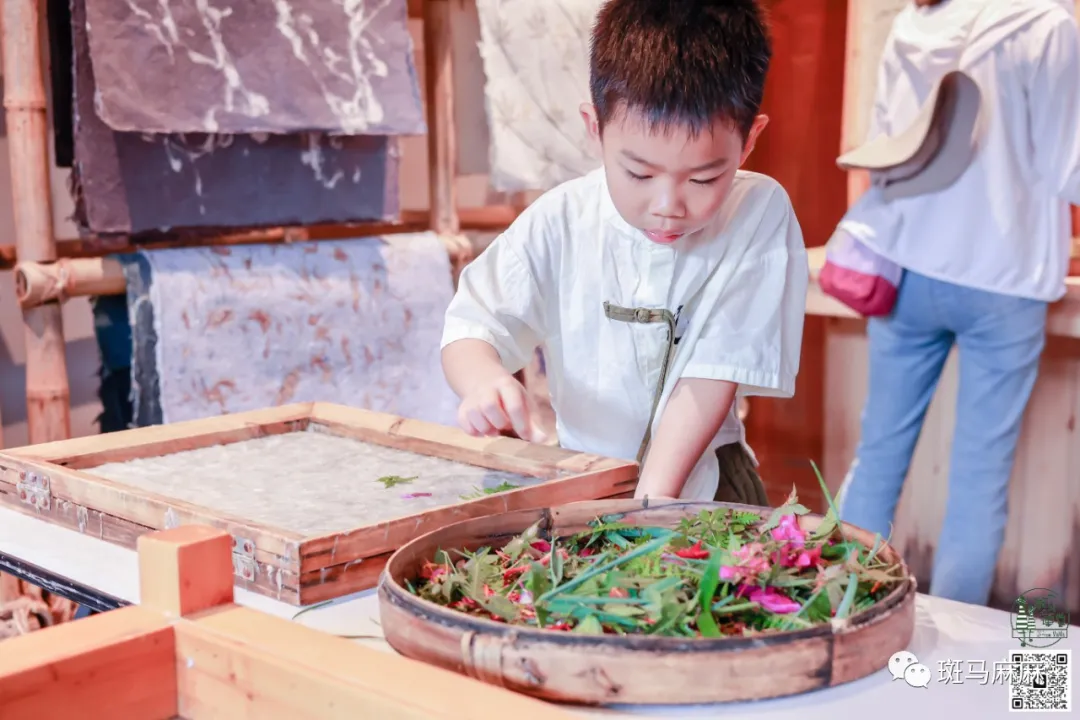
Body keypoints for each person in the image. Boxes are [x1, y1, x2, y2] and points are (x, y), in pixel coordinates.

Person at [439, 0, 809, 504]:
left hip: (705, 481)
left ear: (748, 142)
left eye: (704, 177)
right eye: (638, 173)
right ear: (595, 128)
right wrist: (483, 380)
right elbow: (473, 324)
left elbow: (710, 378)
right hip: (583, 478)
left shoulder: (757, 212)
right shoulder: (562, 218)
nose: (668, 207)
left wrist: (646, 512)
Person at [835, 0, 1080, 606]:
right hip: (1006, 278)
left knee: (877, 459)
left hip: (910, 265)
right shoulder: (1047, 26)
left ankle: (841, 613)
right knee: (979, 481)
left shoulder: (913, 21)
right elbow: (1067, 167)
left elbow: (884, 147)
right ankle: (956, 648)